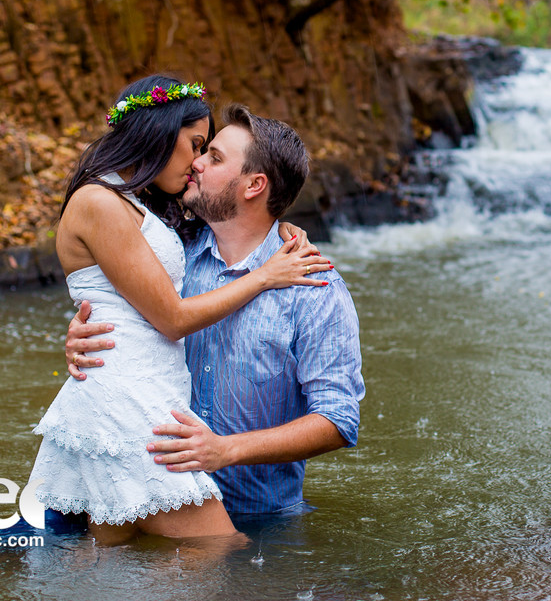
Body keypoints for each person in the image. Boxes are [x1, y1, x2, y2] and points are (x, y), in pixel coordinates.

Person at [28, 76, 332, 546]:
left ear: (255, 185)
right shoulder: (102, 202)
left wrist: (276, 229)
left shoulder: (156, 213)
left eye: (209, 153)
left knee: (110, 557)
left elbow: (338, 419)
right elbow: (167, 315)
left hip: (155, 404)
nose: (196, 163)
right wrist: (264, 275)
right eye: (196, 145)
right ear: (157, 132)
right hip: (132, 403)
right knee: (223, 550)